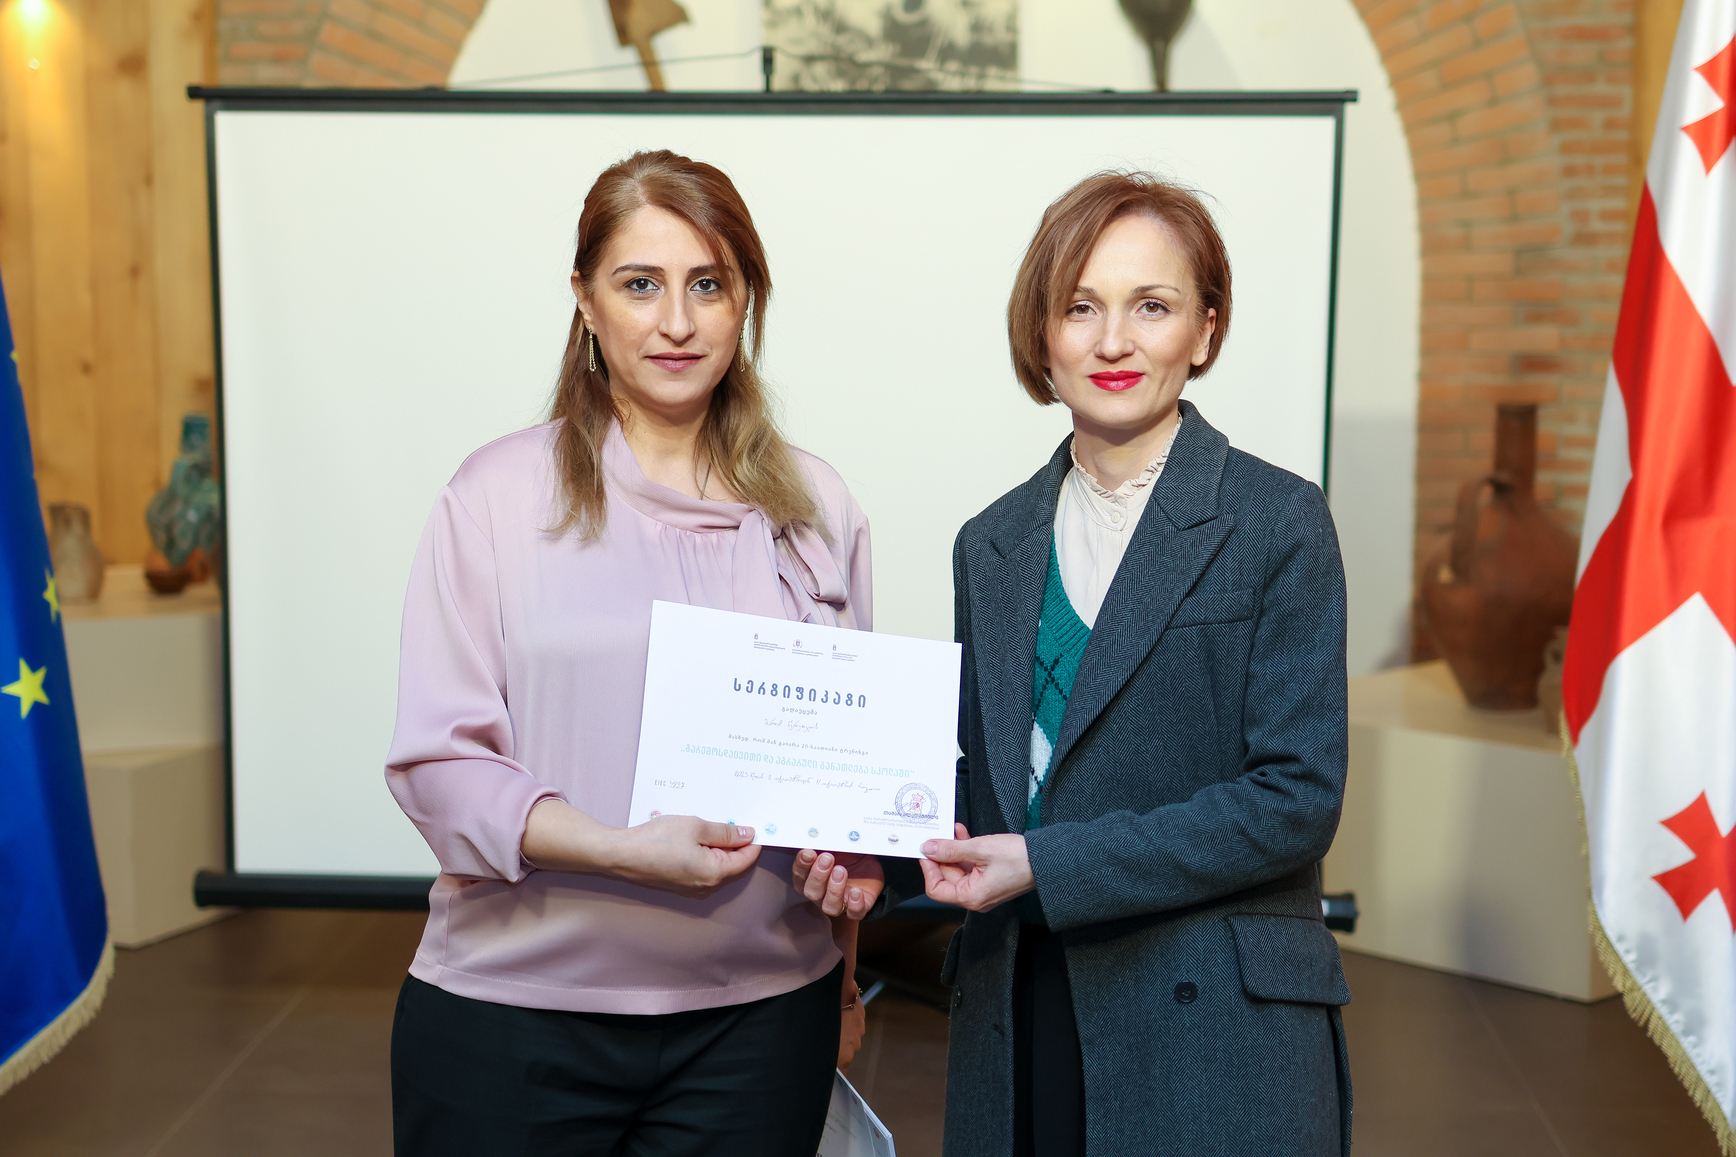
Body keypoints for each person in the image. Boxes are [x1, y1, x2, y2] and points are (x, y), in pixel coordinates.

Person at [383, 149, 884, 1157]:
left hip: (762, 1021)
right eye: (640, 284)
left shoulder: (818, 504)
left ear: (745, 302)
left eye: (709, 285)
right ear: (585, 300)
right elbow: (439, 767)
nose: (677, 321)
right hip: (513, 1014)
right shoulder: (491, 497)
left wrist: (846, 917)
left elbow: (847, 778)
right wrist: (619, 847)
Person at [907, 172, 1352, 1156]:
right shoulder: (988, 543)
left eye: (1150, 306)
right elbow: (980, 789)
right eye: (1080, 307)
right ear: (1041, 334)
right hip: (1018, 1003)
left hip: (1208, 1026)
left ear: (1203, 329)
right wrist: (855, 841)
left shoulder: (1278, 520)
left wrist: (1047, 862)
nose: (1113, 342)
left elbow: (1295, 798)